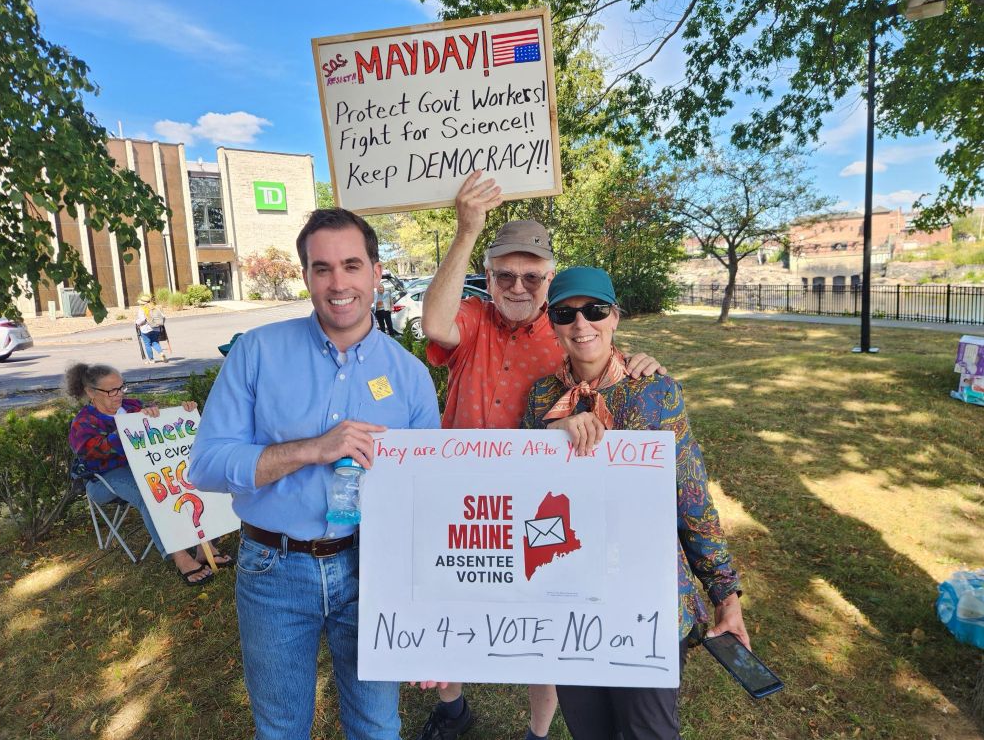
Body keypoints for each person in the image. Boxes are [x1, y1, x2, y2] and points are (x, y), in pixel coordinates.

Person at [416, 171, 666, 740]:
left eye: (533, 276)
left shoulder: (566, 329)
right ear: (490, 276)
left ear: (550, 279)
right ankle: (452, 706)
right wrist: (466, 230)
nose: (520, 286)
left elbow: (611, 371)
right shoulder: (473, 318)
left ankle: (537, 732)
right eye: (506, 274)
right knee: (450, 597)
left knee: (542, 617)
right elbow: (433, 322)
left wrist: (645, 364)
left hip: (539, 500)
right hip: (461, 493)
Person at [188, 207, 440, 740]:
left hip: (373, 569)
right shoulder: (257, 352)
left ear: (376, 271)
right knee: (281, 729)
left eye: (352, 265)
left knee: (377, 726)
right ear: (305, 276)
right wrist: (309, 450)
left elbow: (427, 504)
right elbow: (206, 464)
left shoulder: (410, 377)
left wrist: (427, 622)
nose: (338, 282)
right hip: (272, 570)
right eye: (321, 268)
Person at [520, 267, 749, 739]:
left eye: (595, 310)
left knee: (649, 729)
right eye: (566, 313)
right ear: (553, 323)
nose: (582, 324)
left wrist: (725, 594)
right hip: (571, 592)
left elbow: (691, 498)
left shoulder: (655, 391)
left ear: (615, 316)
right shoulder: (542, 396)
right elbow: (525, 489)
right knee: (588, 726)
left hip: (646, 593)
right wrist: (550, 436)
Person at [66, 362, 230, 585]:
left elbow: (163, 432)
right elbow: (92, 455)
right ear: (90, 392)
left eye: (121, 388)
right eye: (111, 391)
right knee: (151, 493)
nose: (118, 395)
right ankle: (179, 556)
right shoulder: (84, 422)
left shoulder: (133, 407)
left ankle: (204, 547)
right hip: (104, 478)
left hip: (144, 470)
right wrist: (128, 429)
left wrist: (182, 414)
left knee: (182, 481)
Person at [135, 293, 167, 363]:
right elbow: (163, 317)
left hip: (145, 329)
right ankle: (161, 353)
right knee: (155, 342)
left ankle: (151, 360)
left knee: (147, 344)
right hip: (156, 328)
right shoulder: (156, 307)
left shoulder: (142, 309)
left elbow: (142, 319)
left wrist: (137, 322)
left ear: (142, 303)